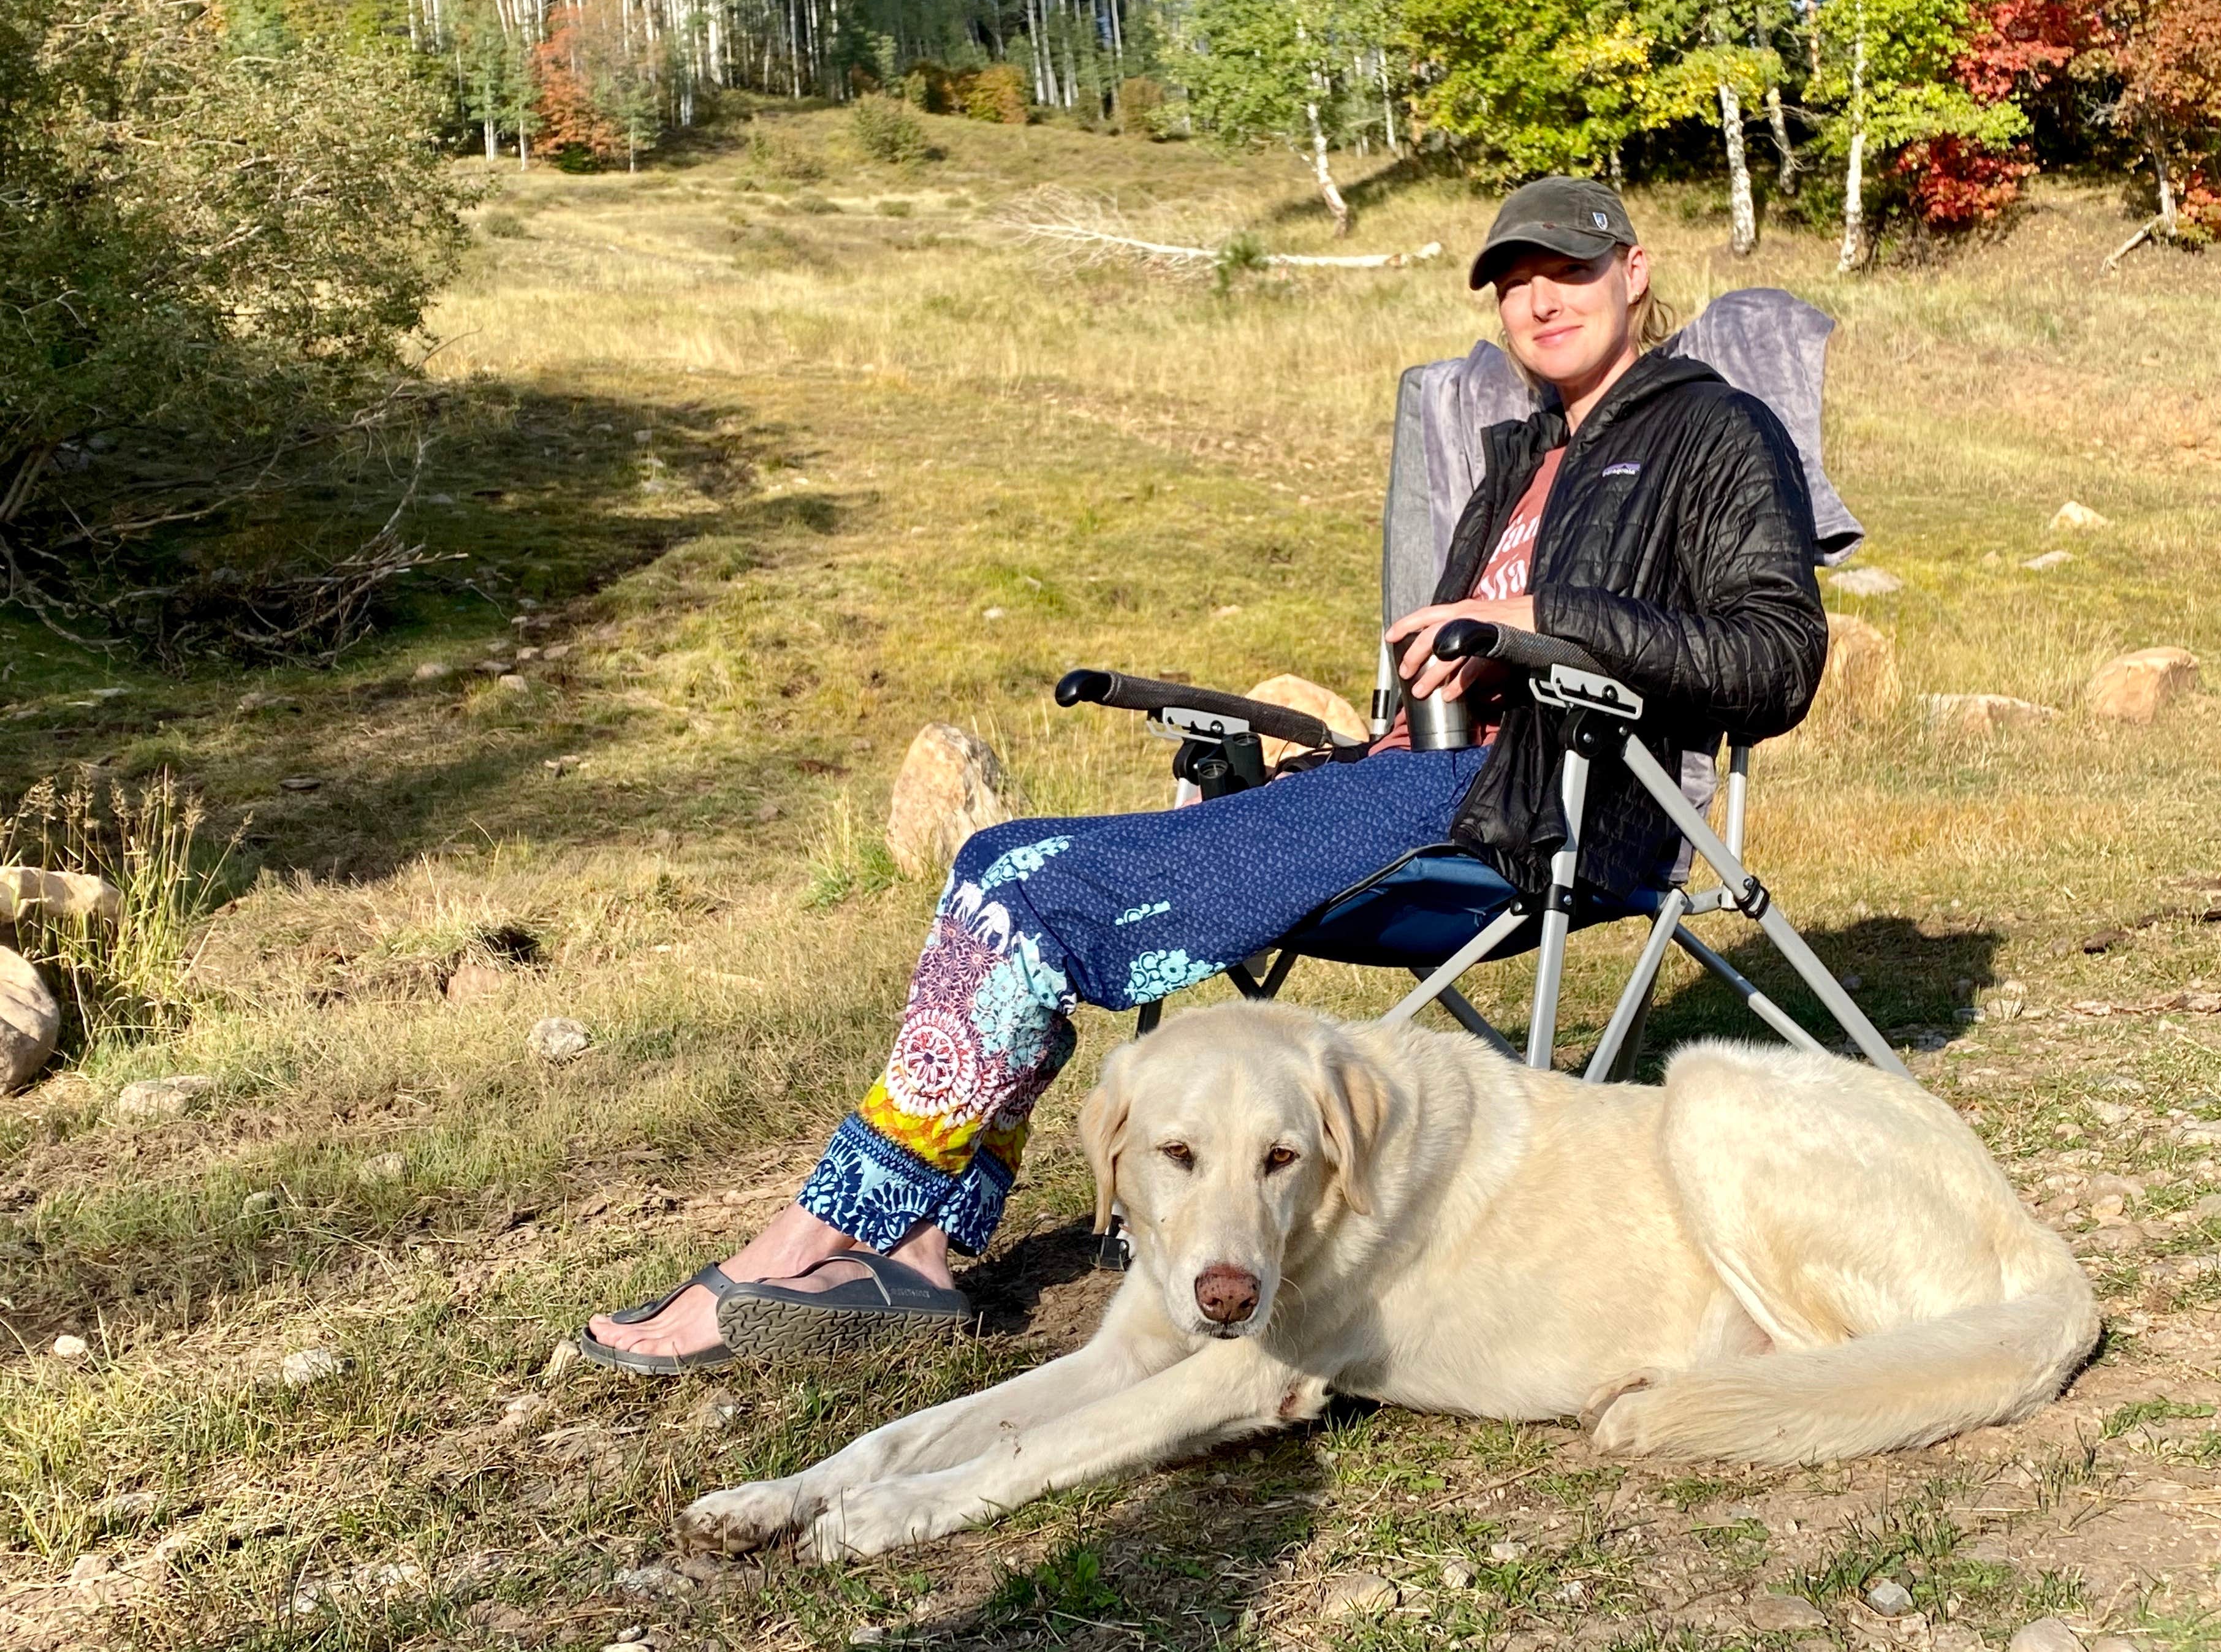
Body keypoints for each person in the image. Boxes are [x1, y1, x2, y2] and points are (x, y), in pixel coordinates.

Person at [577, 176, 1831, 1371]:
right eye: (1515, 283)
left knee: (1039, 897)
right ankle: (923, 1247)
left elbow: (1775, 661)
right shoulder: (1515, 455)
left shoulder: (1713, 430)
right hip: (1393, 783)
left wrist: (1546, 614)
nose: (1543, 300)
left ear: (1636, 273)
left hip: (1540, 808)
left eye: (1572, 269)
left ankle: (817, 1238)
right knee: (996, 860)